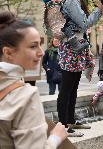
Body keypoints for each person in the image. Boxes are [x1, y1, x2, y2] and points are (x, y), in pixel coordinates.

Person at [0, 11, 67, 148]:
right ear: (8, 52)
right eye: (33, 46)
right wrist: (56, 137)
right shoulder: (26, 96)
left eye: (40, 45)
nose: (40, 52)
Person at [57, 0, 103, 136]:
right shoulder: (71, 1)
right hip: (70, 48)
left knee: (74, 87)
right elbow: (84, 24)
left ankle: (70, 120)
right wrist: (98, 10)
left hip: (75, 48)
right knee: (66, 88)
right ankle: (62, 127)